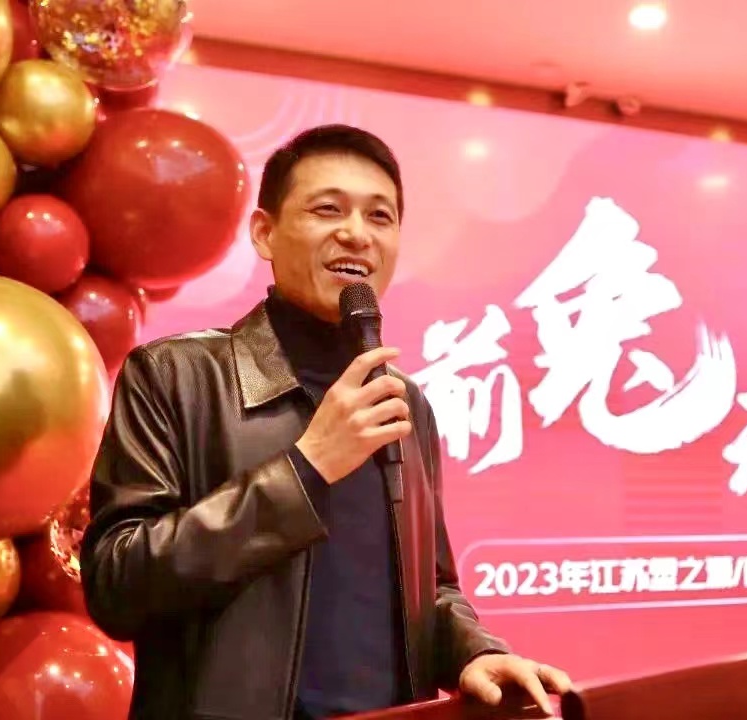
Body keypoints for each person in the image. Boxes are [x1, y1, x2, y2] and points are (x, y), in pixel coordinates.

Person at [80, 124, 572, 720]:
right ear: (264, 233)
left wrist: (474, 652)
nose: (356, 234)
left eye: (380, 216)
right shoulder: (175, 374)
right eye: (327, 209)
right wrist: (305, 470)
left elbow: (431, 590)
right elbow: (118, 584)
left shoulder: (404, 402)